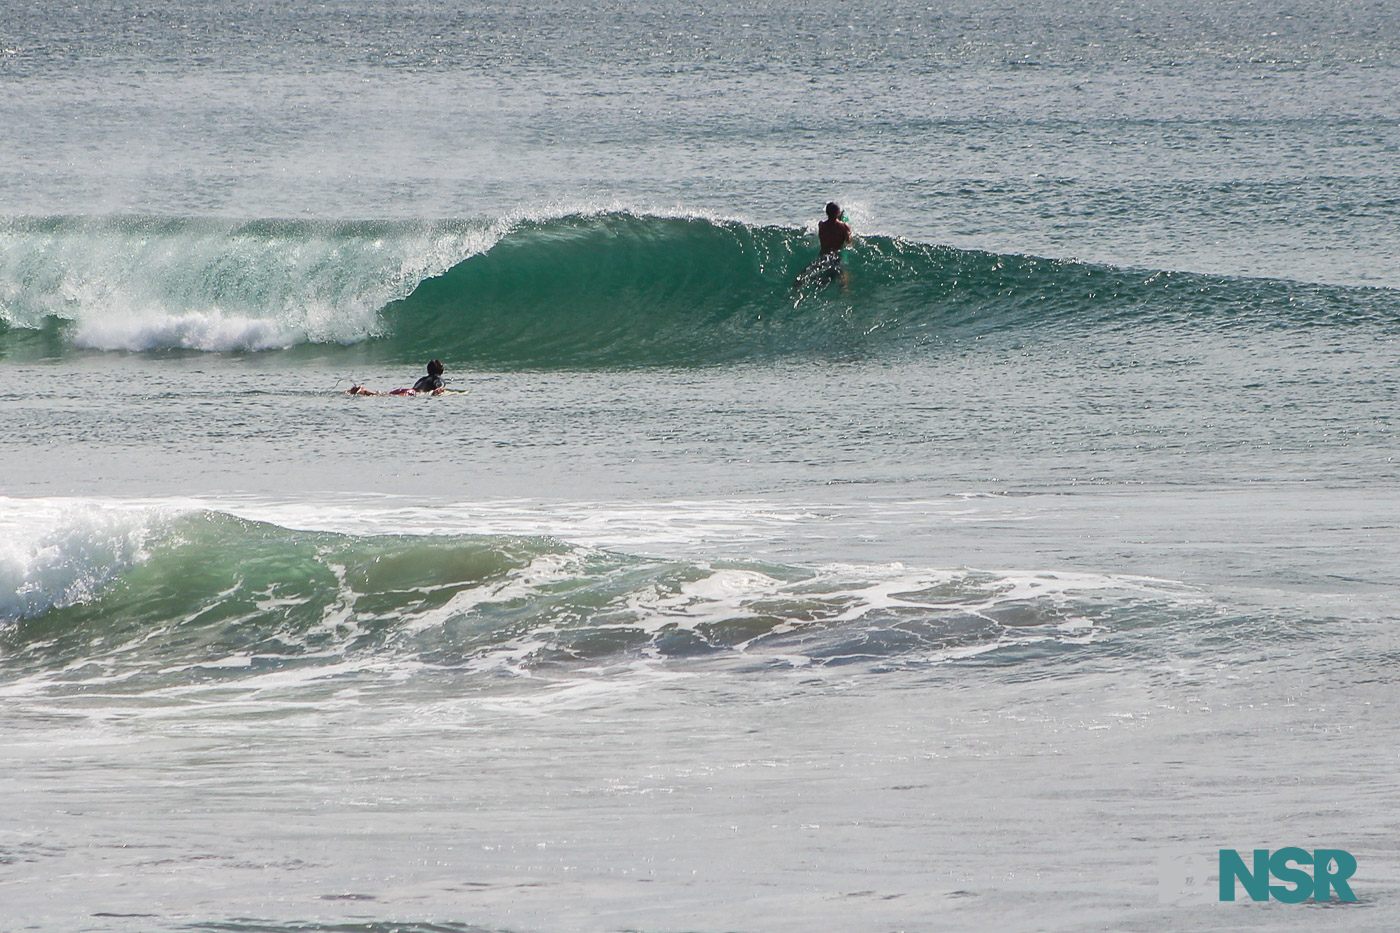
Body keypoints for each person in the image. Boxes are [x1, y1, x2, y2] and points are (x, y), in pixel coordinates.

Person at [794, 202, 853, 289]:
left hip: (822, 255)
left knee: (807, 273)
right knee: (842, 274)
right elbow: (849, 242)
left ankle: (796, 287)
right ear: (838, 213)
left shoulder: (821, 225)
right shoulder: (843, 227)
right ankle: (844, 290)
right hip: (835, 256)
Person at [346, 359, 448, 396]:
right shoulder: (438, 378)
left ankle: (363, 391)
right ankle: (364, 391)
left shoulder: (422, 379)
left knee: (385, 394)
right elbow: (439, 386)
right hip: (412, 393)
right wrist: (439, 390)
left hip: (407, 390)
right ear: (440, 370)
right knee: (384, 396)